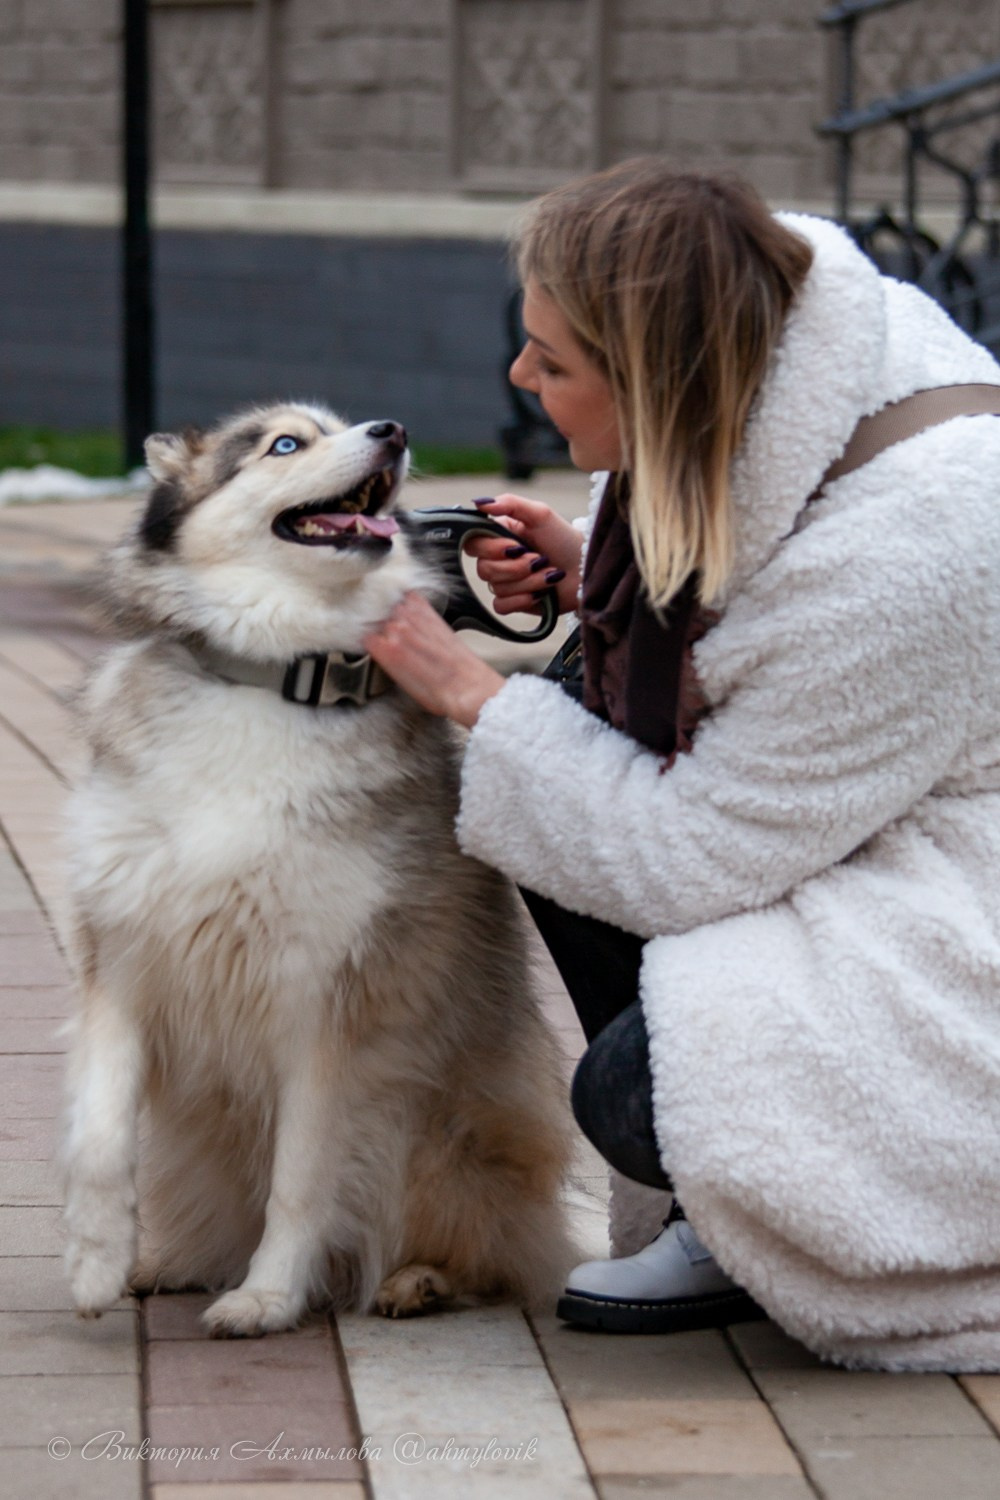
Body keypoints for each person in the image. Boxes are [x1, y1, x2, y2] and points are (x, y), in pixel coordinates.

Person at [364, 156, 1000, 1370]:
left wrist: (462, 690)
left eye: (551, 364)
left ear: (656, 382)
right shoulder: (783, 327)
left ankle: (774, 1210)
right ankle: (720, 1191)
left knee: (634, 1089)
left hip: (958, 911)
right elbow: (761, 534)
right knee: (565, 723)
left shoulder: (925, 540)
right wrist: (600, 569)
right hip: (861, 813)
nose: (518, 376)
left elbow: (685, 854)